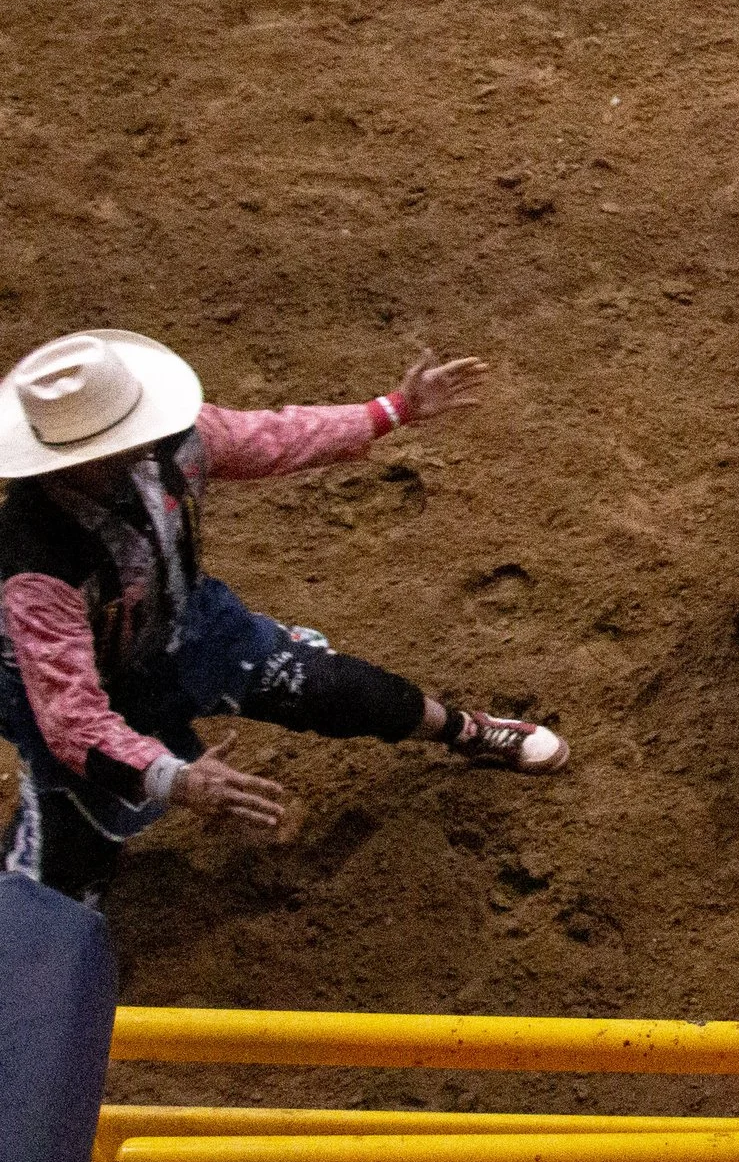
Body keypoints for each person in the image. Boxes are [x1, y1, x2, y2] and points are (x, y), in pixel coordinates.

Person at [0, 330, 569, 907]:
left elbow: (271, 437)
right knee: (60, 876)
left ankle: (466, 730)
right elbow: (73, 720)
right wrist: (178, 779)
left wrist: (391, 410)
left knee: (335, 688)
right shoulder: (37, 569)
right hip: (75, 680)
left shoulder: (173, 441)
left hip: (189, 627)